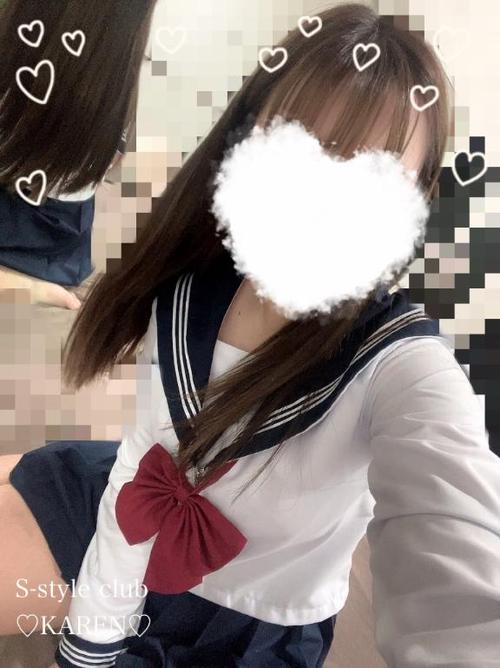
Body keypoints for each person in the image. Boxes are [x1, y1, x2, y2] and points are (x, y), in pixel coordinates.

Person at [2, 3, 500, 667]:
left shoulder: (401, 366)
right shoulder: (187, 288)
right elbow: (139, 473)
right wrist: (92, 641)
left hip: (248, 629)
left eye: (371, 169)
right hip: (121, 517)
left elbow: (460, 563)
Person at [0, 0, 157, 309]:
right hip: (65, 236)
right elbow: (114, 163)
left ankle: (22, 286)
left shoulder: (17, 52)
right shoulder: (120, 78)